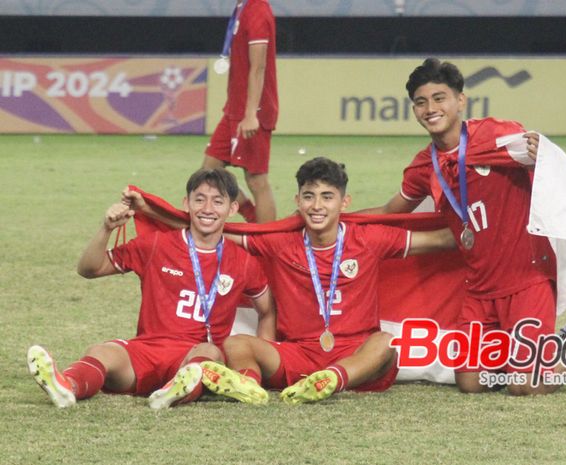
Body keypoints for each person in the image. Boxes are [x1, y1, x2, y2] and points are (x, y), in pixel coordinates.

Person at [357, 58, 566, 395]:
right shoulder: (424, 165)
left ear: (460, 100)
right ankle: (551, 345)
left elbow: (549, 169)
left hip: (527, 278)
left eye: (439, 98)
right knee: (470, 382)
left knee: (525, 386)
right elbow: (392, 212)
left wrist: (544, 157)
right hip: (478, 288)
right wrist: (338, 221)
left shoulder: (497, 135)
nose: (430, 108)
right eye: (420, 102)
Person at [182, 157, 457, 405]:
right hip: (299, 353)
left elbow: (442, 239)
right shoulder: (280, 243)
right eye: (309, 196)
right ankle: (248, 386)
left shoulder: (369, 238)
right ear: (297, 200)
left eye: (327, 197)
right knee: (236, 344)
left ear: (344, 203)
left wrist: (487, 215)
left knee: (385, 343)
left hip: (354, 354)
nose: (316, 206)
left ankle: (332, 379)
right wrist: (156, 210)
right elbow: (213, 230)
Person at [27, 168, 275, 409]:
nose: (207, 209)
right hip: (147, 349)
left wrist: (263, 356)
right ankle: (67, 386)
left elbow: (267, 311)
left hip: (196, 352)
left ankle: (174, 391)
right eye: (199, 200)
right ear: (186, 204)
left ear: (232, 209)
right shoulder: (156, 245)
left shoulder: (243, 262)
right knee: (102, 351)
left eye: (217, 202)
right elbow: (89, 269)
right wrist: (106, 229)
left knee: (207, 355)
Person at [203, 0, 278, 224]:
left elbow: (259, 67)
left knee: (256, 180)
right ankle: (254, 220)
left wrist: (251, 114)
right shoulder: (242, 7)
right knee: (209, 171)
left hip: (253, 111)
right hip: (234, 110)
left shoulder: (257, 9)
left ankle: (268, 243)